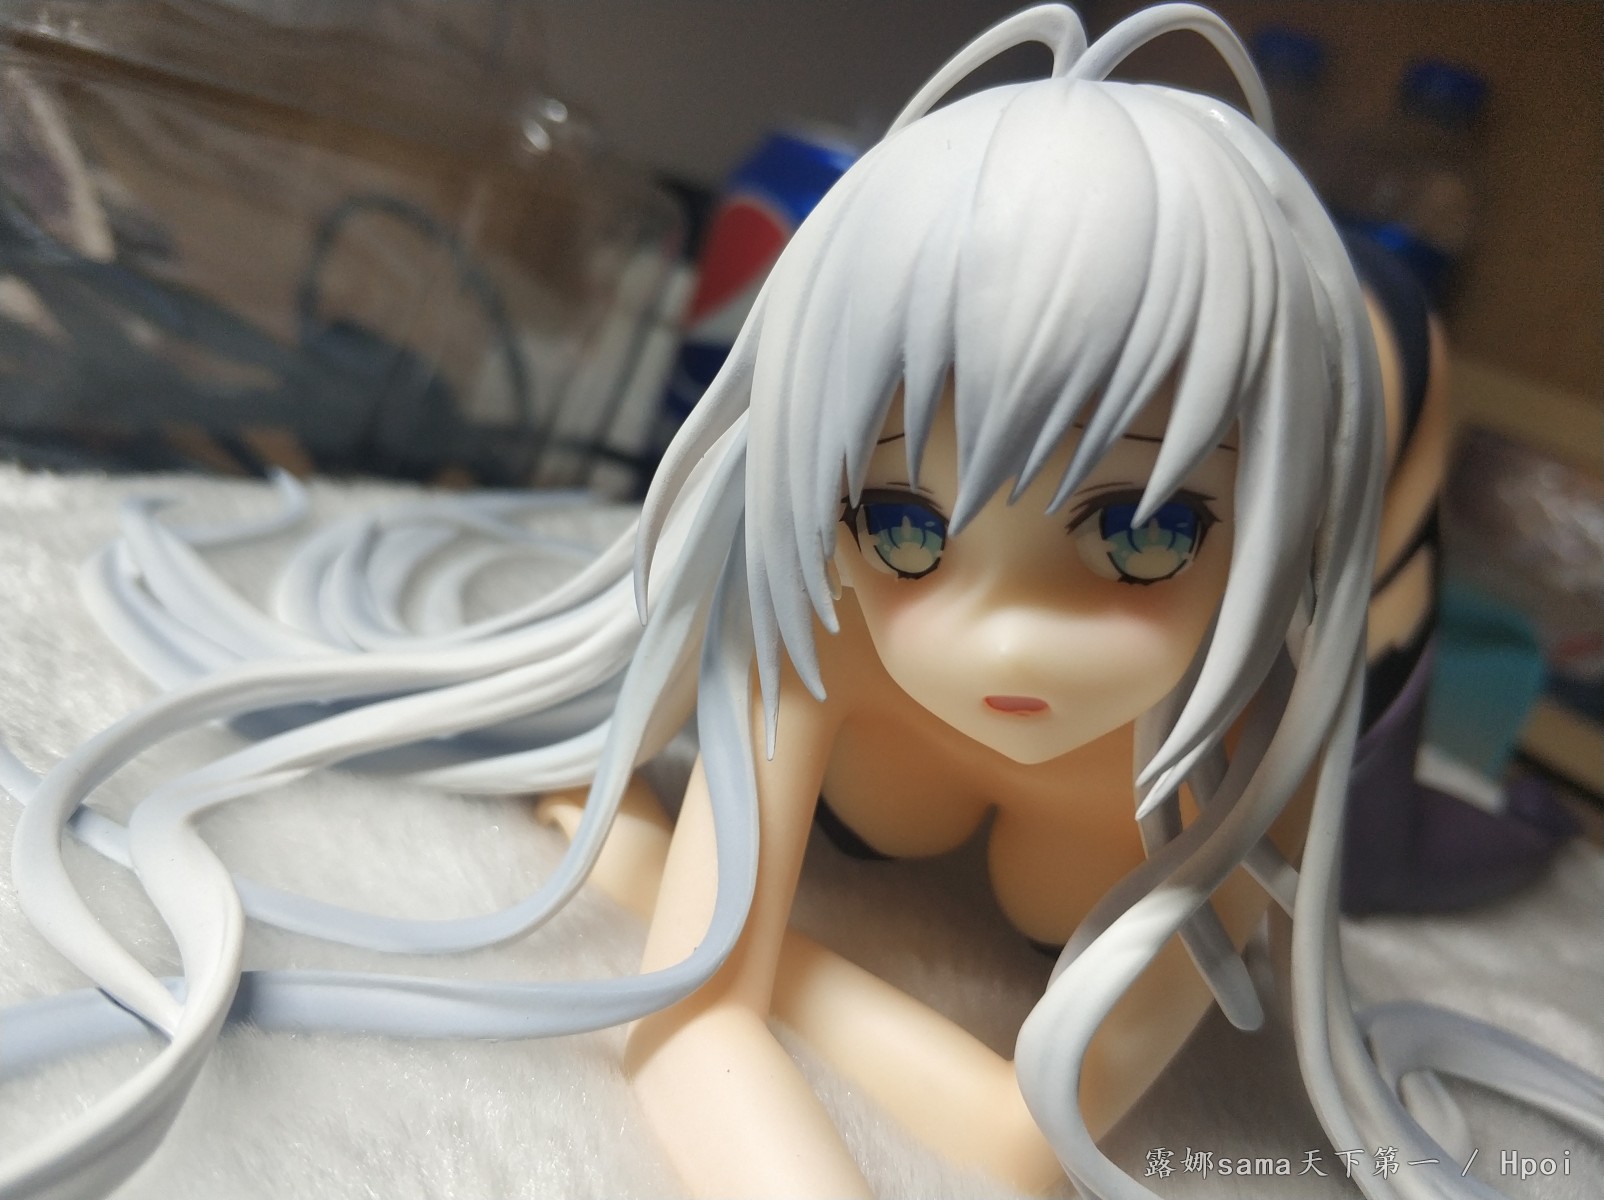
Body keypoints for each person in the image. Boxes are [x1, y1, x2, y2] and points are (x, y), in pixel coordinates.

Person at [3, 7, 1595, 1200]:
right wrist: (713, 947)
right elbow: (687, 1018)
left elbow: (1031, 1133)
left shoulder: (1251, 736)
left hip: (1370, 383)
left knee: (1251, 811)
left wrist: (684, 894)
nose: (1002, 634)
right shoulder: (812, 620)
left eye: (1143, 530)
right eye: (904, 522)